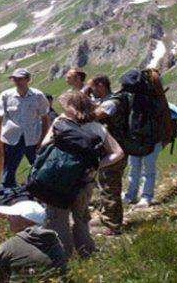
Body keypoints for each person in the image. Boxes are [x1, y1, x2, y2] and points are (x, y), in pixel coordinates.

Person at [43, 91, 125, 259]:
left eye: (64, 106)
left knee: (59, 219)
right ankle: (86, 254)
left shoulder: (60, 122)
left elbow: (44, 146)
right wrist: (95, 165)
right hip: (85, 179)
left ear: (71, 107)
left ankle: (63, 258)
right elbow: (118, 153)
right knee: (80, 218)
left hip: (58, 179)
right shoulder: (97, 128)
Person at [0, 200, 66, 283]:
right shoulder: (56, 242)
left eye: (13, 216)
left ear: (27, 222)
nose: (8, 218)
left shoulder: (10, 245)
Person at [0, 68, 50, 189]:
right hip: (12, 140)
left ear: (28, 79)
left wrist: (43, 141)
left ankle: (39, 195)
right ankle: (7, 198)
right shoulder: (6, 95)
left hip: (33, 140)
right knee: (8, 172)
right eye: (14, 79)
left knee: (39, 170)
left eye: (20, 79)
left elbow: (45, 119)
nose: (17, 82)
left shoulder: (38, 96)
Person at [88, 74, 127, 234]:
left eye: (92, 88)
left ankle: (112, 224)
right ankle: (108, 217)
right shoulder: (107, 102)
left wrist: (83, 98)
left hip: (115, 150)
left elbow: (91, 117)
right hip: (110, 149)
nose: (91, 91)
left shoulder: (111, 103)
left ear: (101, 85)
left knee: (110, 185)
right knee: (106, 183)